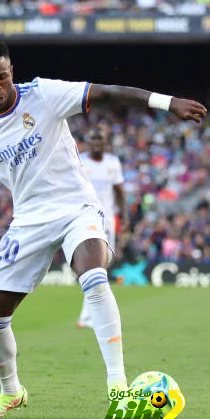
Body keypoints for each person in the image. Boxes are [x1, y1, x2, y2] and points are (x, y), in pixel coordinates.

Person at [0, 39, 207, 419]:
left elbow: (108, 92)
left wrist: (168, 103)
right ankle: (11, 392)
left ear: (11, 71)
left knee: (94, 275)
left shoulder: (45, 94)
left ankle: (118, 387)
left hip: (75, 207)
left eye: (2, 77)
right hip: (28, 220)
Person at [77, 127, 127, 328]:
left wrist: (125, 216)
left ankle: (89, 314)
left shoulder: (112, 163)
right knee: (94, 265)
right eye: (93, 139)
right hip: (85, 217)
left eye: (101, 140)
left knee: (103, 265)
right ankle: (87, 315)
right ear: (88, 142)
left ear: (106, 143)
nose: (97, 143)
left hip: (107, 219)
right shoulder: (79, 160)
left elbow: (120, 191)